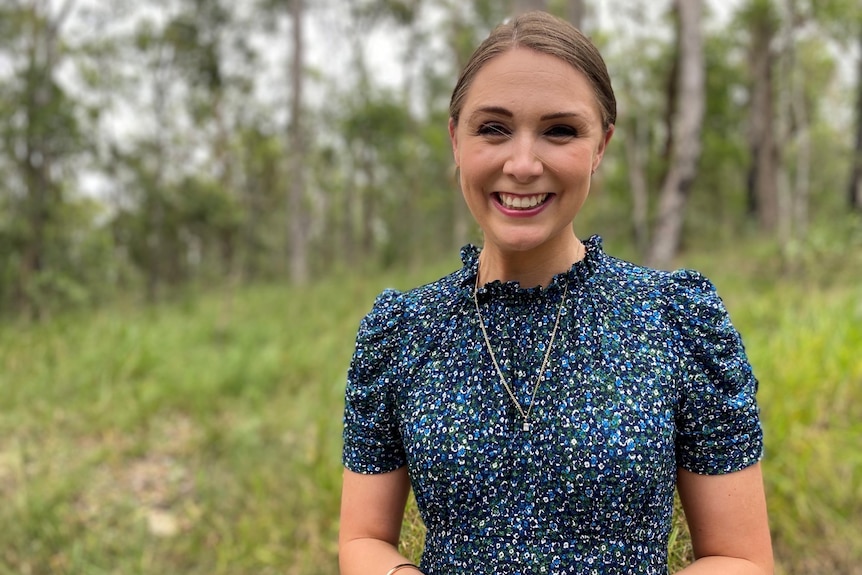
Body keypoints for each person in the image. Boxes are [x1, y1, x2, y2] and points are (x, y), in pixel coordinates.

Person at [339, 10, 773, 575]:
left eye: (560, 130)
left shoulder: (678, 322)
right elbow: (363, 540)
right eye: (493, 128)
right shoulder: (402, 331)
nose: (522, 164)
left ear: (600, 146)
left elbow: (739, 557)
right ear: (455, 139)